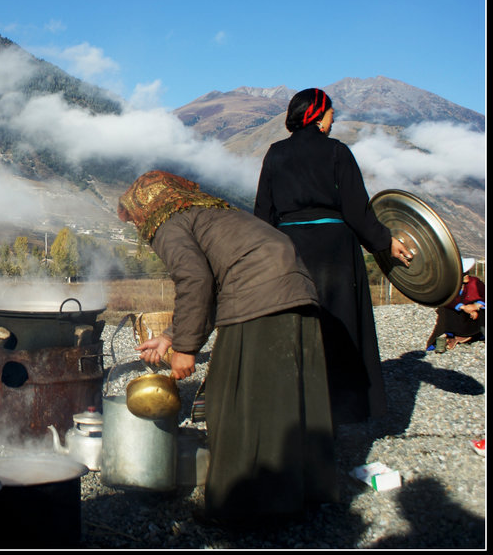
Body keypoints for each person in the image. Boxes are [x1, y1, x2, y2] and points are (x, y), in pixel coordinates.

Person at [120, 171, 337, 524]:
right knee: (287, 397)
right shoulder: (208, 213)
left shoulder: (168, 223)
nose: (138, 228)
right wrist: (171, 336)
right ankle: (305, 495)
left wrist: (186, 349)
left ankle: (242, 508)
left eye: (134, 220)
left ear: (145, 207)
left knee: (232, 399)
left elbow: (196, 280)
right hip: (294, 286)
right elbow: (213, 282)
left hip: (259, 292)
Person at [253, 88, 412, 426]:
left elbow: (263, 213)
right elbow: (357, 210)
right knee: (341, 325)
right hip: (336, 251)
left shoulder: (275, 154)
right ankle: (342, 408)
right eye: (330, 114)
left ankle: (295, 405)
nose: (333, 119)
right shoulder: (337, 152)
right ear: (318, 117)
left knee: (296, 322)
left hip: (291, 249)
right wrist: (385, 241)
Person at [426, 258, 485, 351]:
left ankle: (478, 334)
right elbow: (447, 300)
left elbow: (484, 295)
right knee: (445, 311)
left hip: (473, 319)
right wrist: (463, 307)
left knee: (483, 311)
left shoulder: (475, 282)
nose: (467, 275)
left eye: (467, 273)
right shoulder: (448, 286)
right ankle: (447, 338)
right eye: (464, 274)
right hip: (456, 319)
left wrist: (476, 306)